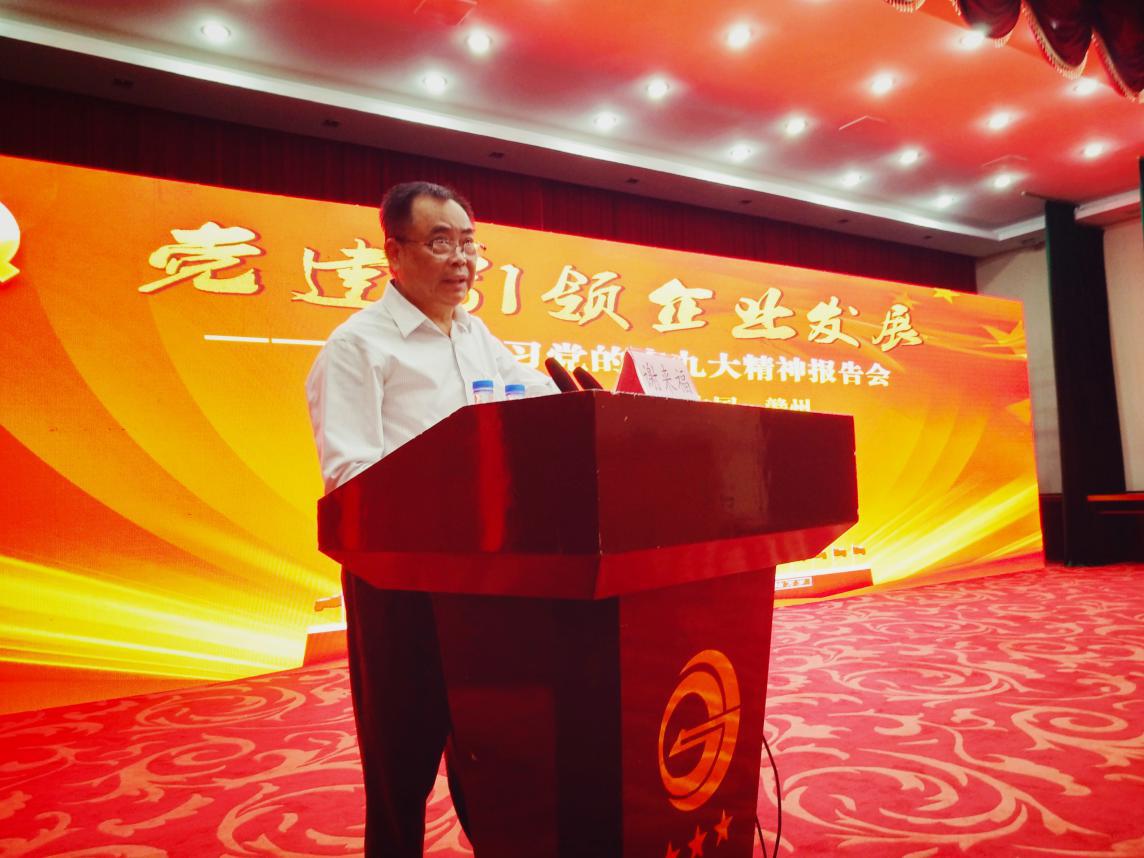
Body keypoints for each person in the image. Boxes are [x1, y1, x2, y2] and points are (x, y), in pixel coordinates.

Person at [305, 181, 557, 857]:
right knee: (401, 761)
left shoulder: (474, 334)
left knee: (490, 749)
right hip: (401, 587)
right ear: (394, 253)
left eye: (469, 243)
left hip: (485, 577)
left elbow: (534, 397)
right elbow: (350, 478)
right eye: (441, 242)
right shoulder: (358, 348)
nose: (462, 259)